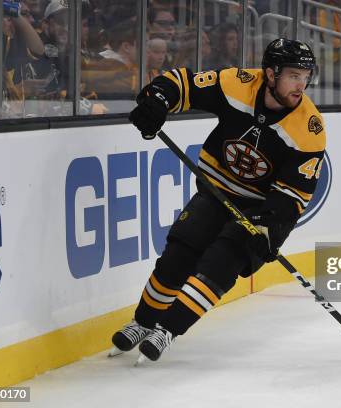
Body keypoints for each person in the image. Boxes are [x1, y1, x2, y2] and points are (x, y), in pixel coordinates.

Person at [111, 38, 326, 363]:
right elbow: (181, 84)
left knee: (221, 263)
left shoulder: (309, 128)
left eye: (305, 76)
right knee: (178, 256)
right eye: (294, 75)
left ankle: (168, 329)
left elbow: (294, 194)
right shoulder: (237, 84)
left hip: (264, 210)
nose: (302, 84)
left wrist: (269, 227)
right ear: (271, 73)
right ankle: (142, 322)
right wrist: (157, 100)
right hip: (217, 191)